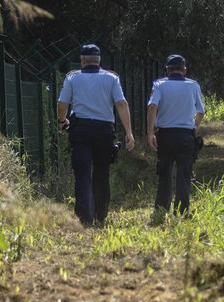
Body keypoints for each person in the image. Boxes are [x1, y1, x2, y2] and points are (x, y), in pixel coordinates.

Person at [56, 43, 135, 226]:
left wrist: (62, 121)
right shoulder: (111, 79)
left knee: (82, 173)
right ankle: (101, 213)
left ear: (82, 60)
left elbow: (62, 104)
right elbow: (121, 104)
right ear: (99, 60)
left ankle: (85, 217)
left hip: (80, 130)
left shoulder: (72, 78)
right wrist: (129, 132)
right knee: (102, 171)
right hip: (104, 131)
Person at [147, 54, 205, 217]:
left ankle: (161, 210)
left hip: (165, 135)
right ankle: (181, 211)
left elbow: (152, 107)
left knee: (164, 173)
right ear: (184, 70)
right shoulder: (193, 86)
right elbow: (201, 111)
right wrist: (195, 127)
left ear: (167, 70)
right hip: (186, 136)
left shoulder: (159, 85)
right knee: (184, 174)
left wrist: (150, 132)